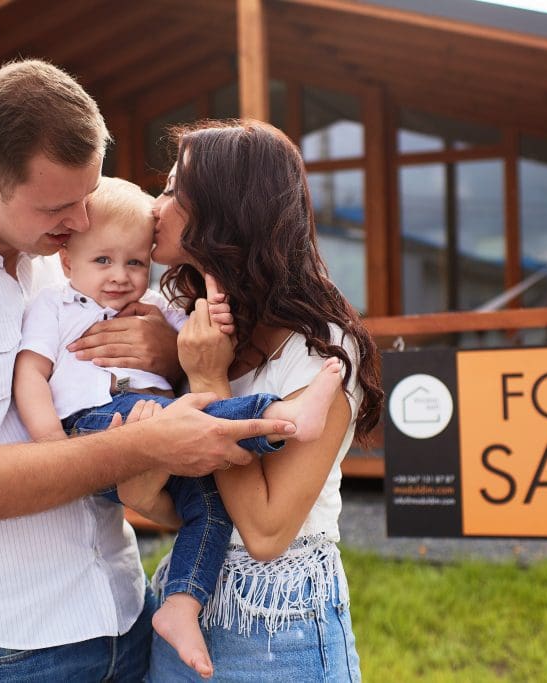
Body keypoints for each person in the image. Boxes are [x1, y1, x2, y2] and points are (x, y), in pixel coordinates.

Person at [0, 60, 293, 682]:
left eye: (87, 196)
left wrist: (158, 352)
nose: (80, 220)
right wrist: (143, 443)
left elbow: (143, 371)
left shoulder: (59, 255)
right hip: (11, 647)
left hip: (125, 615)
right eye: (59, 206)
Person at [13, 176, 344, 677]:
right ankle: (281, 418)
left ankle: (182, 607)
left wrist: (187, 356)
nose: (120, 275)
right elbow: (31, 376)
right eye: (102, 260)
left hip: (273, 605)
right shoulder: (56, 307)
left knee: (208, 510)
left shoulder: (170, 311)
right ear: (68, 262)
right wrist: (55, 448)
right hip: (95, 425)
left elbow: (261, 531)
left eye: (135, 262)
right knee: (189, 423)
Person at [145, 120, 384, 682]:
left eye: (173, 190)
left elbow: (268, 532)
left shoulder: (322, 348)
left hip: (280, 633)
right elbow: (162, 501)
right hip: (182, 607)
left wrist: (207, 381)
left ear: (224, 210)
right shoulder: (181, 314)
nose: (155, 205)